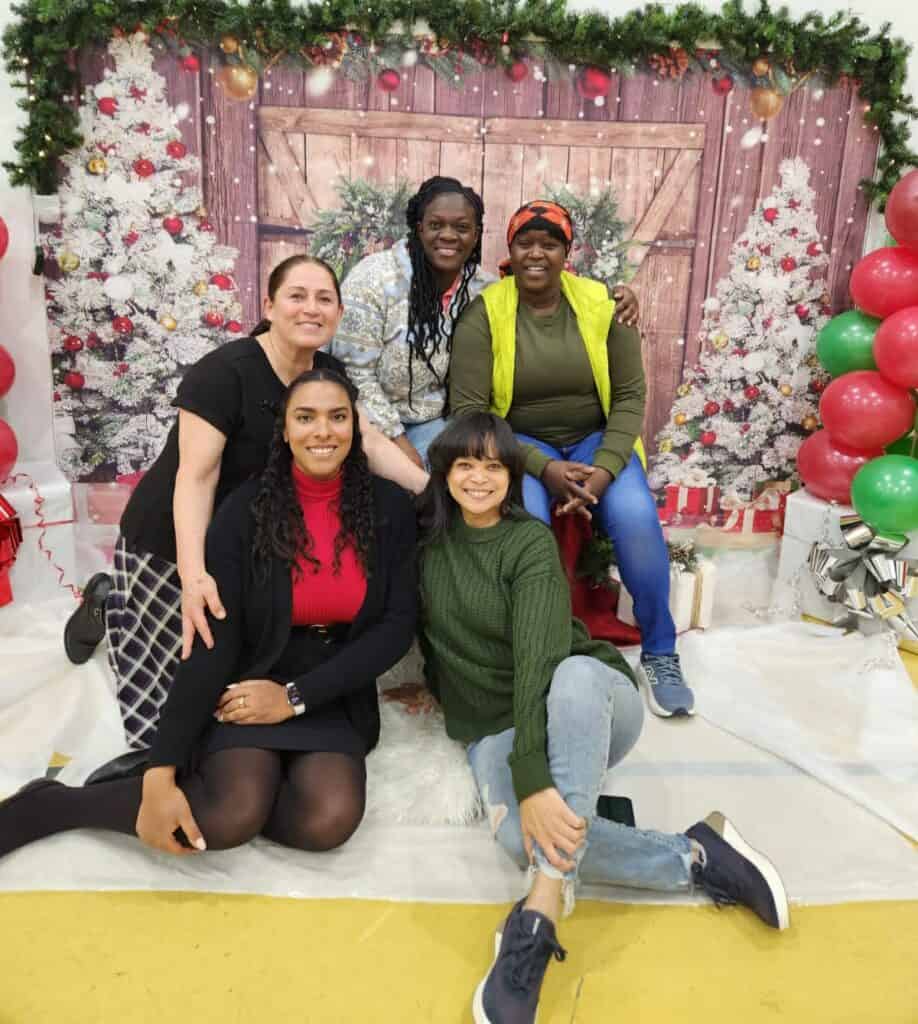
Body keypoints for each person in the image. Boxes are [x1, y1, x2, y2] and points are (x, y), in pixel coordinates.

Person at [398, 413, 787, 1024]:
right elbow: (426, 631)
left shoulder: (527, 544)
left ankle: (540, 910)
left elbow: (539, 664)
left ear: (511, 475)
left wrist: (534, 780)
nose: (478, 478)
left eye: (493, 465)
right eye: (465, 464)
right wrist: (427, 685)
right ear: (442, 473)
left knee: (572, 676)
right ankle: (698, 857)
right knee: (515, 837)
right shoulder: (425, 550)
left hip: (585, 702)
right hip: (492, 726)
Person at [1, 368, 417, 861]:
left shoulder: (389, 508)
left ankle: (222, 786)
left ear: (354, 426)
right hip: (250, 676)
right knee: (229, 816)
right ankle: (52, 806)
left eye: (337, 417)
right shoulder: (245, 511)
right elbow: (211, 639)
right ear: (285, 430)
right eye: (305, 417)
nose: (322, 431)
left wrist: (294, 698)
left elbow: (395, 628)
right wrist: (162, 768)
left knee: (326, 822)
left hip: (330, 688)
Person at [63, 255, 427, 755]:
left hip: (239, 544)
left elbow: (368, 441)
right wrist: (193, 576)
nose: (311, 308)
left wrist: (430, 490)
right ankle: (108, 606)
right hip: (175, 537)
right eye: (297, 296)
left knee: (225, 689)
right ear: (269, 305)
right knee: (171, 707)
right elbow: (196, 478)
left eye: (324, 299)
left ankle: (113, 603)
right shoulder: (224, 374)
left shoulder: (327, 373)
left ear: (339, 313)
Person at [449, 200, 694, 718]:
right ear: (510, 251)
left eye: (550, 244)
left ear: (567, 252)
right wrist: (543, 469)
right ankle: (541, 653)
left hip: (595, 442)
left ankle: (660, 652)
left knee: (634, 516)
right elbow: (470, 412)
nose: (536, 253)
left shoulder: (605, 305)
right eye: (525, 243)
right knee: (530, 531)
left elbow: (630, 396)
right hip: (518, 445)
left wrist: (604, 470)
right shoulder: (485, 314)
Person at [331, 176, 640, 468]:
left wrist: (616, 296)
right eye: (436, 225)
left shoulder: (481, 288)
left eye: (462, 227)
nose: (448, 235)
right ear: (419, 228)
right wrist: (399, 444)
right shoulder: (374, 279)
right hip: (370, 420)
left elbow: (541, 283)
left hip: (435, 422)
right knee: (419, 481)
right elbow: (354, 374)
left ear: (476, 235)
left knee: (470, 474)